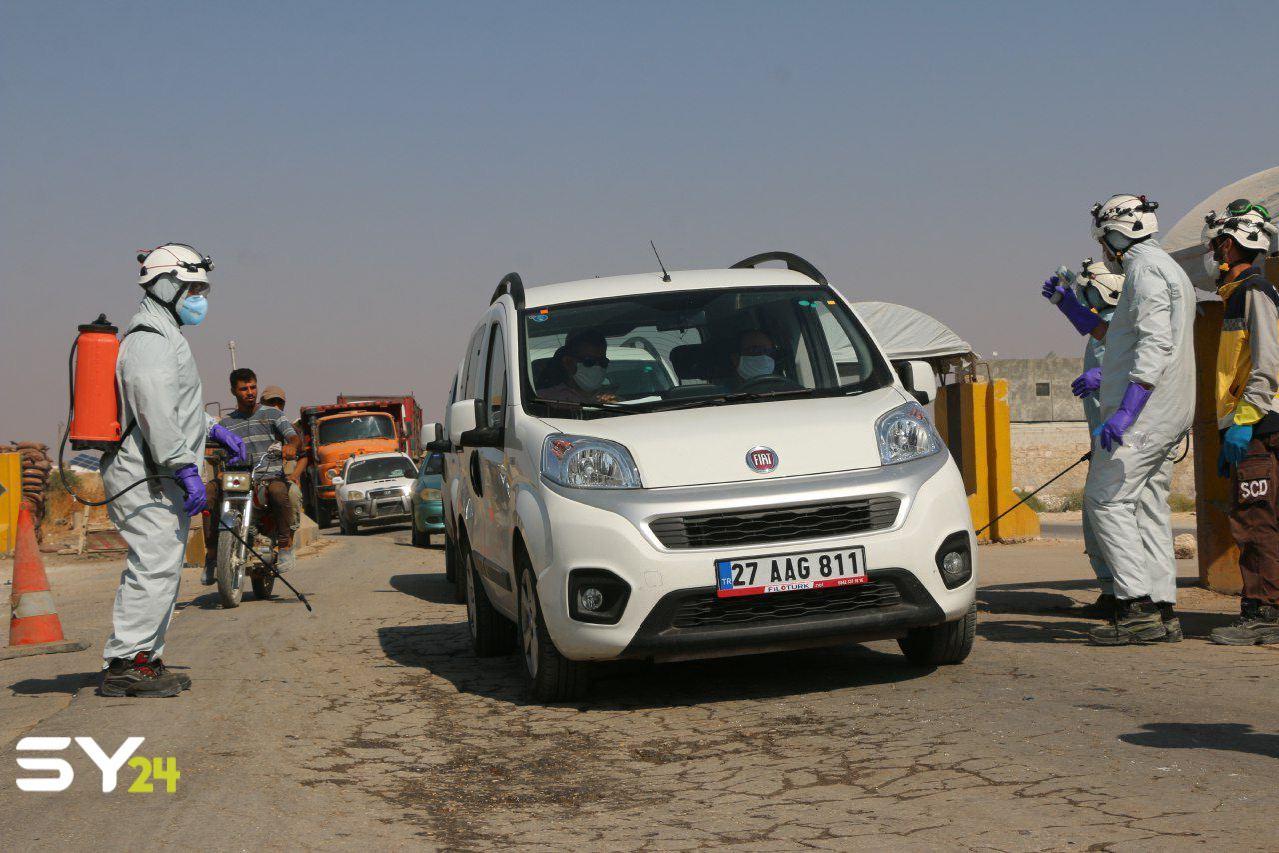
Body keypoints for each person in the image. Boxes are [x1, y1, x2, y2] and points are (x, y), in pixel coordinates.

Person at [1043, 194, 1195, 645]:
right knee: (1148, 506)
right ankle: (1164, 610)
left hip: (1145, 413)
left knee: (1106, 502)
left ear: (1113, 234)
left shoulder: (1144, 271)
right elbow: (1121, 334)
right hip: (1168, 411)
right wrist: (1069, 306)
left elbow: (1153, 344)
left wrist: (1128, 408)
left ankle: (1134, 609)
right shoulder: (1167, 268)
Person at [99, 243, 244, 697]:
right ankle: (127, 662)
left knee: (161, 565)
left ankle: (143, 658)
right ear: (166, 285)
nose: (200, 297)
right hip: (147, 475)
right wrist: (184, 467)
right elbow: (156, 413)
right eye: (193, 287)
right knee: (155, 565)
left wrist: (213, 429)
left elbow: (176, 408)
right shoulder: (150, 341)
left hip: (155, 474)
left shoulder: (163, 337)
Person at [1201, 200, 1279, 645]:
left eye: (1216, 246)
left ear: (1229, 246)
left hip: (1258, 424)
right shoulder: (1243, 295)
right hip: (1251, 423)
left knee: (1255, 520)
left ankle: (1263, 611)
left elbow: (1268, 362)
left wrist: (1244, 421)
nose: (1215, 254)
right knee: (1264, 516)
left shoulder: (1254, 294)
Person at [1064, 259, 1125, 616]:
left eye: (1087, 291)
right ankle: (1111, 591)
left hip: (1122, 437)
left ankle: (1127, 594)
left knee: (1110, 517)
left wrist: (1107, 374)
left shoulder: (1123, 322)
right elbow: (1092, 325)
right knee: (1095, 520)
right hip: (1102, 439)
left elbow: (1140, 364)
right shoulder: (1102, 326)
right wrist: (1065, 302)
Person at [202, 369, 303, 584]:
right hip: (237, 478)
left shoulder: (272, 414)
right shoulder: (226, 424)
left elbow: (293, 437)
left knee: (278, 491)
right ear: (233, 391)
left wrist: (291, 446)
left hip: (268, 476)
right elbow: (212, 444)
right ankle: (211, 556)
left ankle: (285, 545)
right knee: (208, 492)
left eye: (253, 387)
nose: (250, 392)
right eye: (244, 388)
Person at [259, 384, 307, 538]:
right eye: (271, 402)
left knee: (292, 493)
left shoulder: (291, 430)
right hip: (257, 477)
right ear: (262, 403)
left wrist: (294, 476)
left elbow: (303, 457)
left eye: (279, 403)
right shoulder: (256, 426)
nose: (276, 406)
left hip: (282, 477)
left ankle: (289, 537)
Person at [538, 330, 617, 403]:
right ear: (568, 362)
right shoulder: (543, 400)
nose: (598, 367)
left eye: (603, 362)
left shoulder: (615, 398)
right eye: (589, 362)